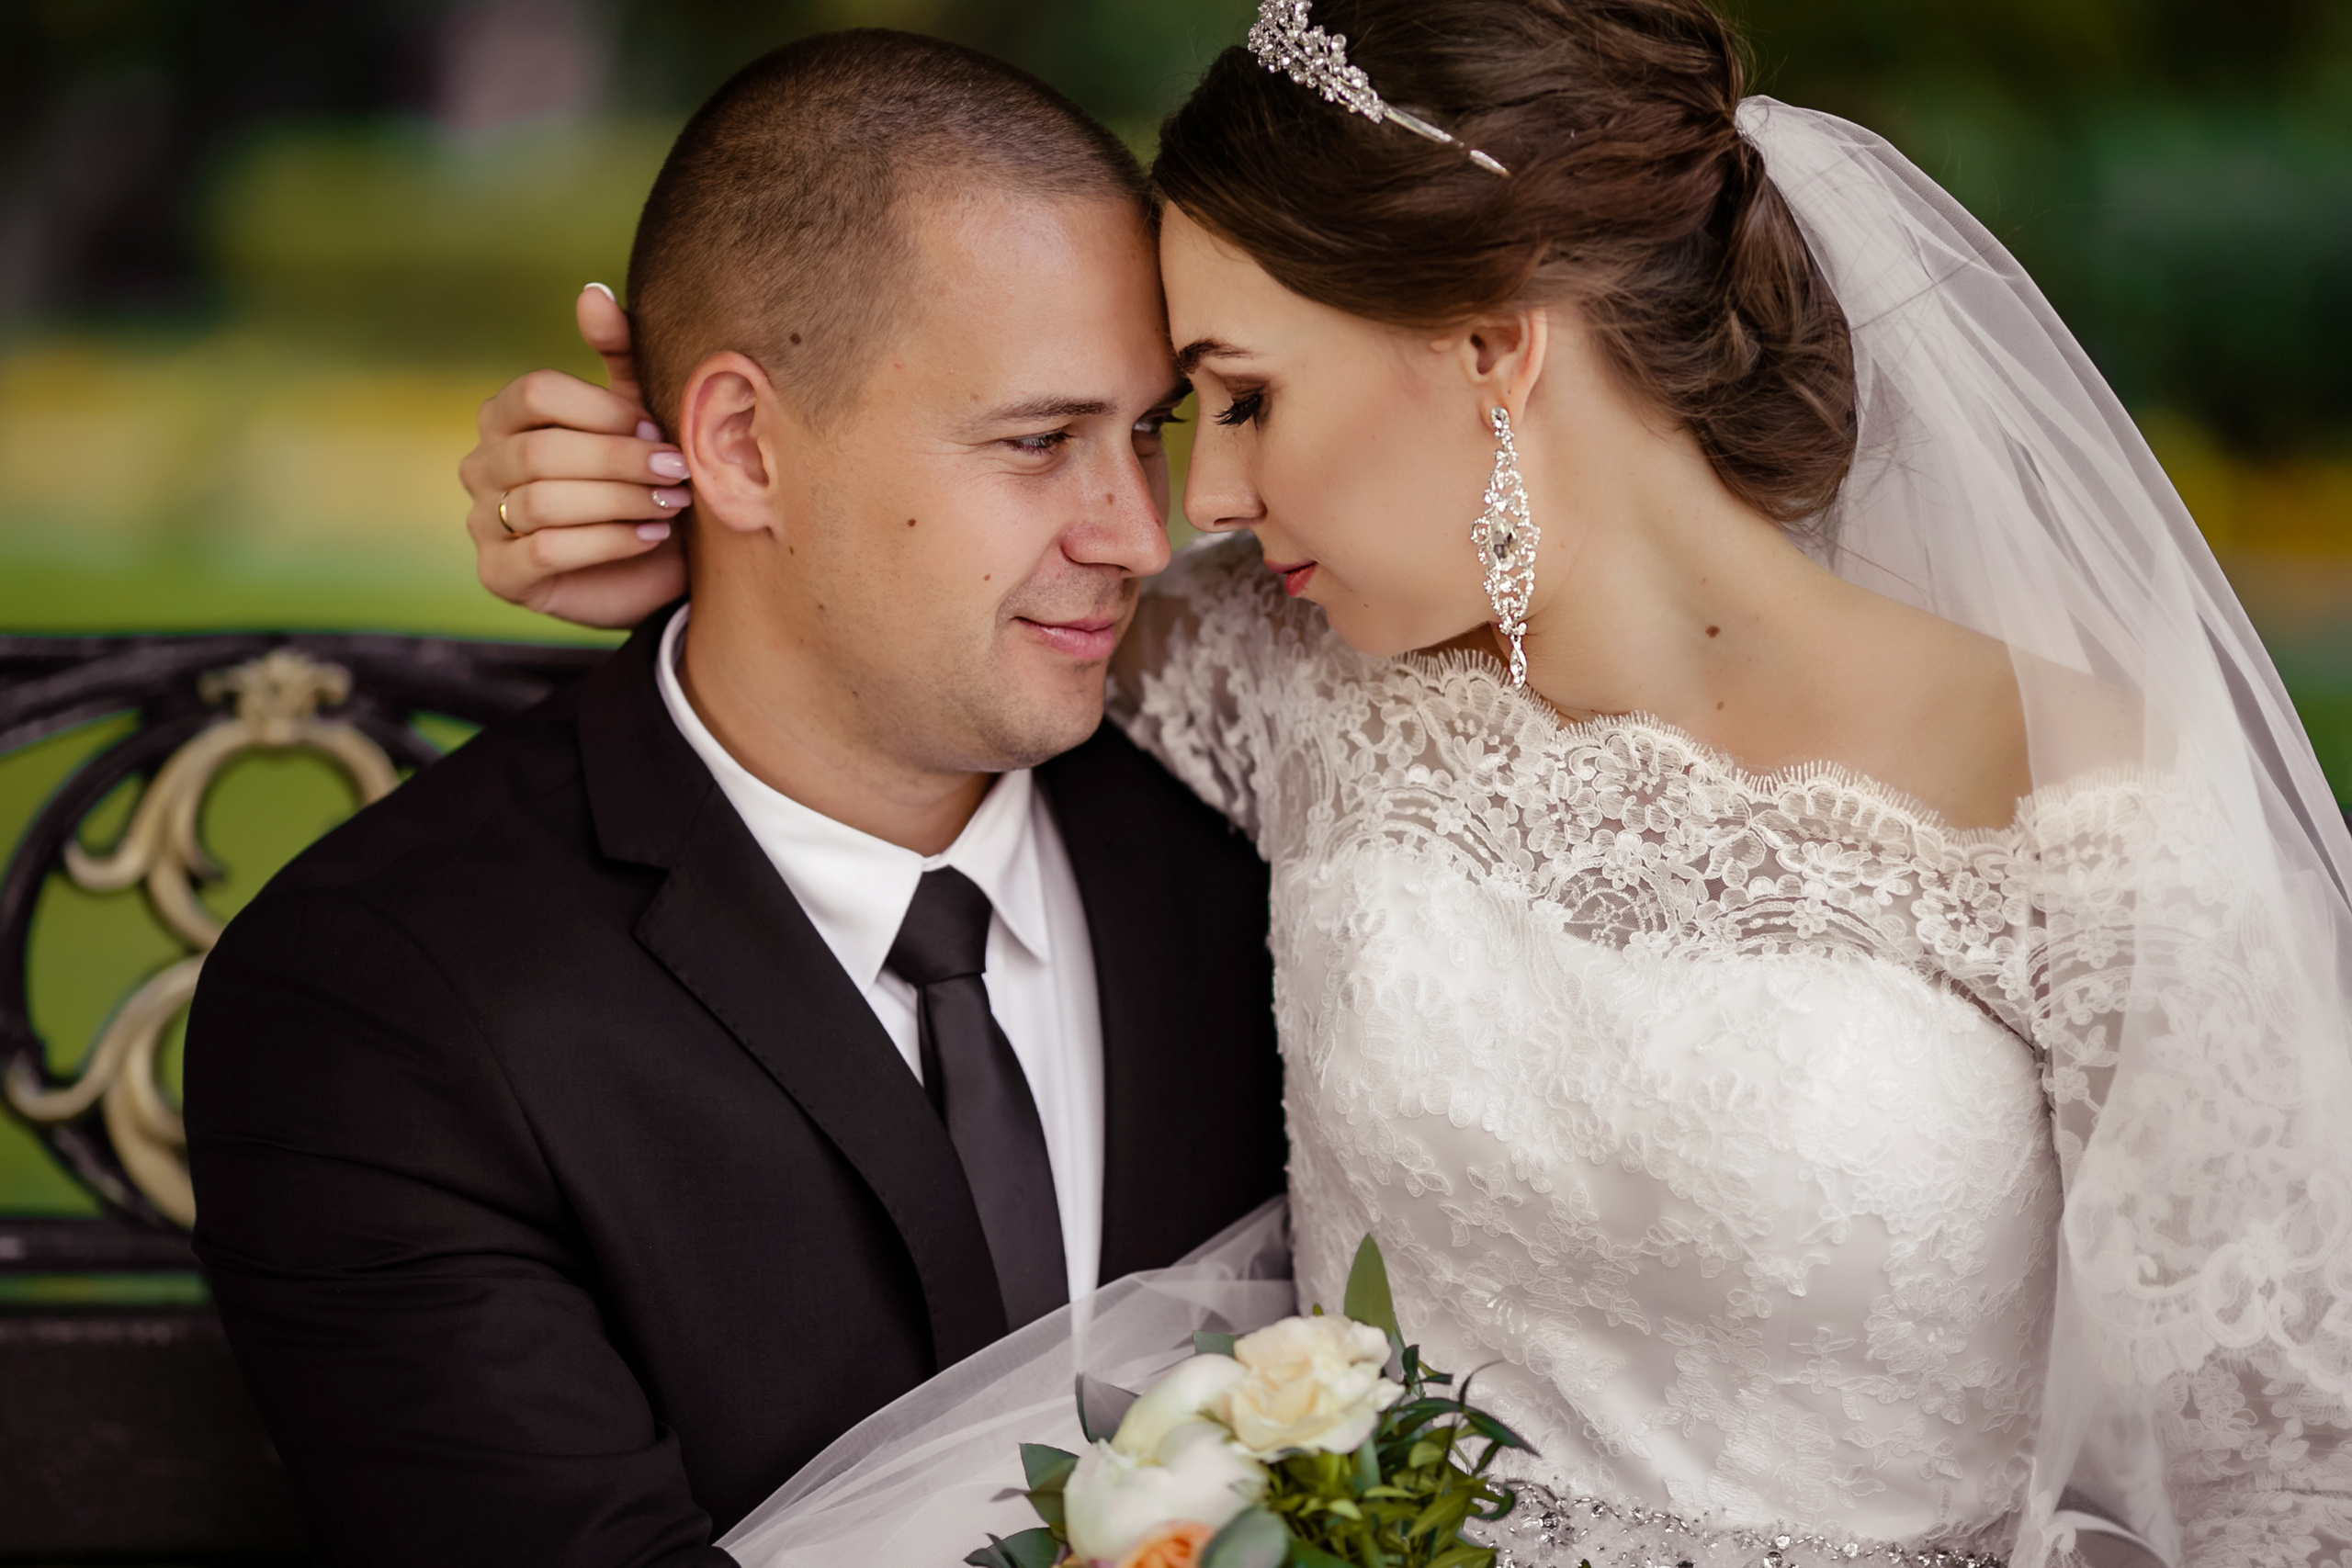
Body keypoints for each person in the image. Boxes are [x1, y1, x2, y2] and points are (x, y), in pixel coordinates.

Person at [472, 2, 2352, 1565]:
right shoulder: (1276, 669)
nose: (1193, 501)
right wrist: (689, 513)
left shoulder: (2085, 804)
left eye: (1243, 394)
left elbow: (2273, 1477)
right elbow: (903, 609)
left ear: (1486, 346)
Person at [182, 31, 1290, 1567]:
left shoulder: (1258, 863)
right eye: (1041, 441)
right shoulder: (388, 1003)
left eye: (1147, 433)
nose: (1137, 535)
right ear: (741, 445)